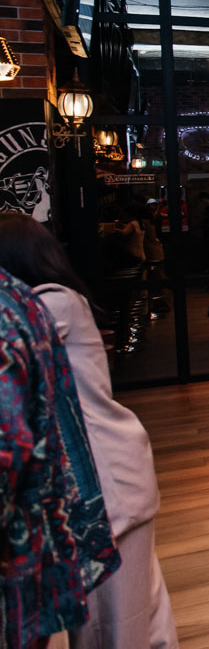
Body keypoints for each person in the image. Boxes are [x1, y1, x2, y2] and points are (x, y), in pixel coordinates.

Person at [0, 213, 178, 648]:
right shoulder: (57, 301)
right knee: (143, 619)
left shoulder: (52, 304)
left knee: (113, 630)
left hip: (106, 481)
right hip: (112, 473)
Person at [0, 265, 120, 647]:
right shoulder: (28, 304)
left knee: (120, 623)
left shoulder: (36, 306)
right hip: (63, 509)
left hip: (77, 492)